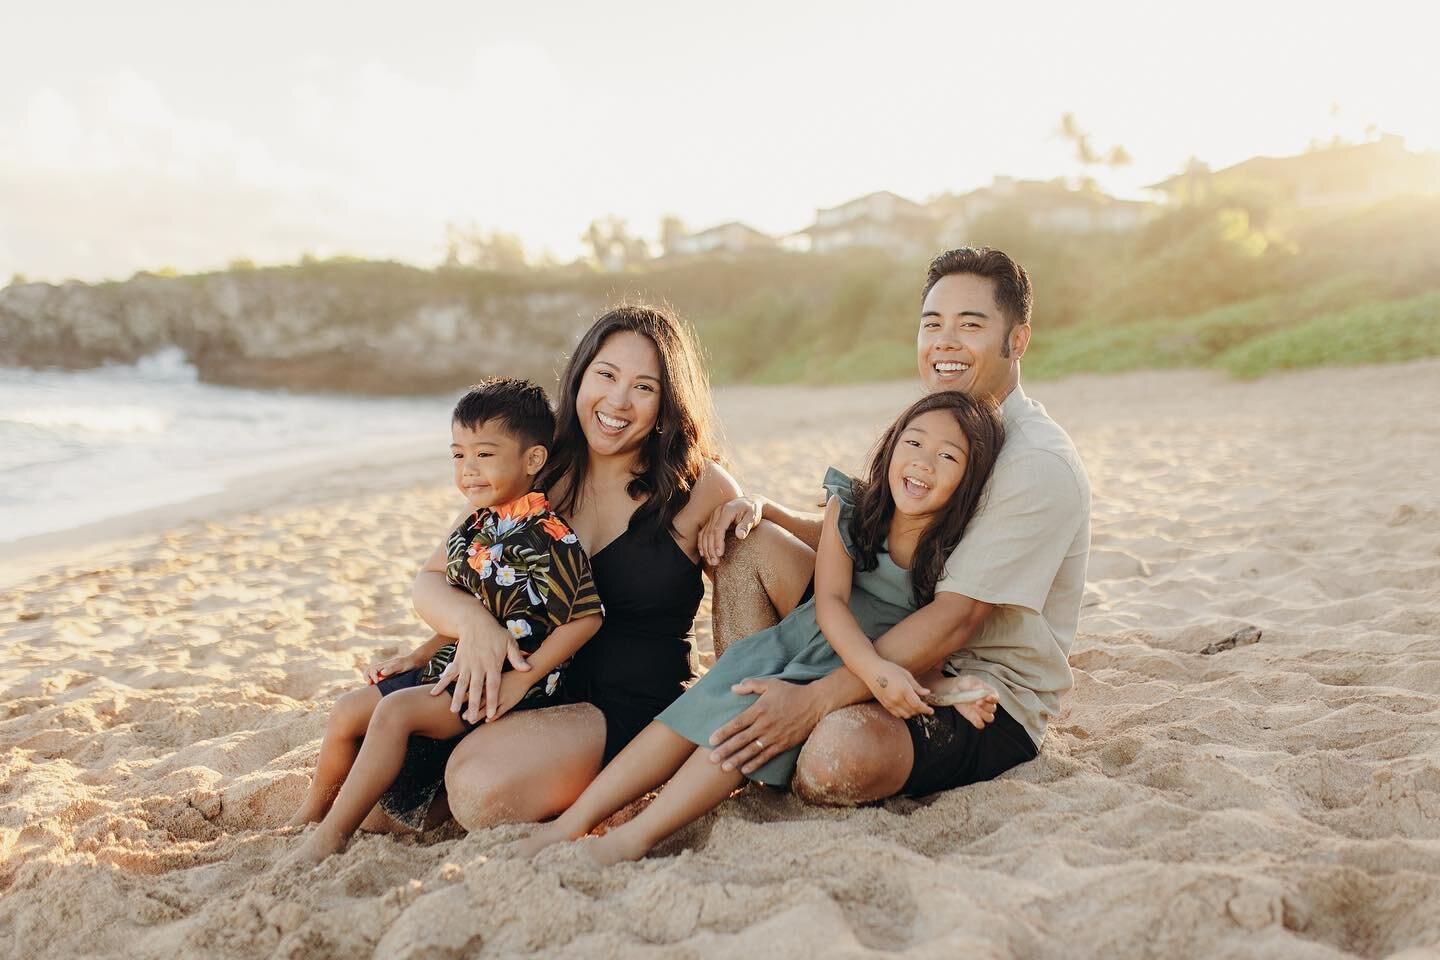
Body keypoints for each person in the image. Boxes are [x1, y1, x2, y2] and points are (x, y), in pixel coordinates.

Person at [518, 390, 1006, 863]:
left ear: (969, 480)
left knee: (738, 733)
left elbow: (925, 650)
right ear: (893, 443)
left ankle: (636, 837)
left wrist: (947, 688)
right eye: (914, 442)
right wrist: (877, 672)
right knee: (689, 716)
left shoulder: (956, 550)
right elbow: (831, 602)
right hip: (810, 642)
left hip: (855, 676)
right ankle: (574, 821)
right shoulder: (852, 506)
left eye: (948, 456)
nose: (923, 462)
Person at [697, 246, 1091, 805]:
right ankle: (751, 716)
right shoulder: (946, 425)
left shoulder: (1035, 464)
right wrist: (773, 512)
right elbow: (878, 535)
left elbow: (957, 620)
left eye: (970, 325)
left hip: (978, 688)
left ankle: (789, 724)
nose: (944, 342)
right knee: (749, 546)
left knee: (837, 760)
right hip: (886, 634)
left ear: (1017, 340)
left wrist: (815, 702)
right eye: (932, 324)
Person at [383, 304, 741, 833]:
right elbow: (432, 578)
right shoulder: (539, 466)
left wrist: (757, 509)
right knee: (378, 787)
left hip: (623, 703)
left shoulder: (699, 485)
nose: (617, 401)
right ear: (579, 376)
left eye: (644, 387)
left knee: (478, 788)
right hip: (525, 683)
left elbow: (757, 582)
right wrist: (473, 624)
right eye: (606, 374)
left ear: (667, 403)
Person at [287, 378, 605, 863]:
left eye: (484, 454)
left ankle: (331, 836)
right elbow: (477, 606)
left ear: (533, 460)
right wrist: (418, 654)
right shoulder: (477, 524)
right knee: (347, 710)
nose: (468, 470)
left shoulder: (549, 539)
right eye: (458, 455)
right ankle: (310, 815)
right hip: (457, 659)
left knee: (394, 714)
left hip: (505, 680)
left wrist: (528, 679)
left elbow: (585, 620)